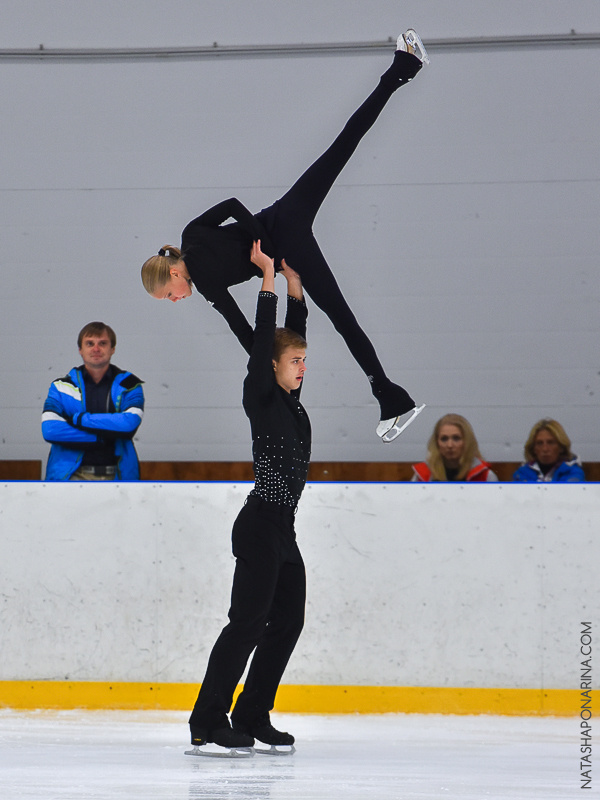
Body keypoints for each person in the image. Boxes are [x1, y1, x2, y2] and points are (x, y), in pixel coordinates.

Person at [141, 31, 429, 442]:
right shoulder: (197, 255)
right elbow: (245, 326)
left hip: (285, 239)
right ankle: (403, 67)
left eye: (167, 295)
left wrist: (268, 258)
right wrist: (264, 358)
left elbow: (232, 211)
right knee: (342, 146)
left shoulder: (199, 263)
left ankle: (389, 396)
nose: (173, 301)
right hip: (285, 216)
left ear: (171, 275)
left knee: (343, 316)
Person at [186, 242, 309, 757]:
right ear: (273, 366)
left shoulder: (290, 399)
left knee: (288, 619)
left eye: (305, 360)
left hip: (284, 529)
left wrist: (294, 287)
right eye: (295, 361)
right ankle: (207, 719)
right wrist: (264, 281)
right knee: (247, 623)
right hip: (259, 526)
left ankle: (253, 712)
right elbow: (264, 343)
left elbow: (290, 332)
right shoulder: (259, 394)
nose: (302, 367)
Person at [41, 321, 144, 481]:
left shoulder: (130, 385)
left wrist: (78, 419)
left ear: (112, 349)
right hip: (69, 477)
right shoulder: (61, 387)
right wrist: (102, 437)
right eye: (90, 344)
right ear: (80, 350)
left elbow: (129, 423)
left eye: (102, 343)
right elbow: (50, 429)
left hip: (117, 477)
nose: (96, 349)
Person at [411, 413, 498, 482]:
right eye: (444, 439)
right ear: (436, 442)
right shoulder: (423, 475)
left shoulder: (485, 476)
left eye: (456, 438)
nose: (450, 445)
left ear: (467, 441)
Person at [513, 419, 585, 483]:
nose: (545, 449)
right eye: (539, 443)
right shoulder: (522, 473)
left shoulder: (573, 472)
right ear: (533, 449)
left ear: (561, 447)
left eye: (551, 443)